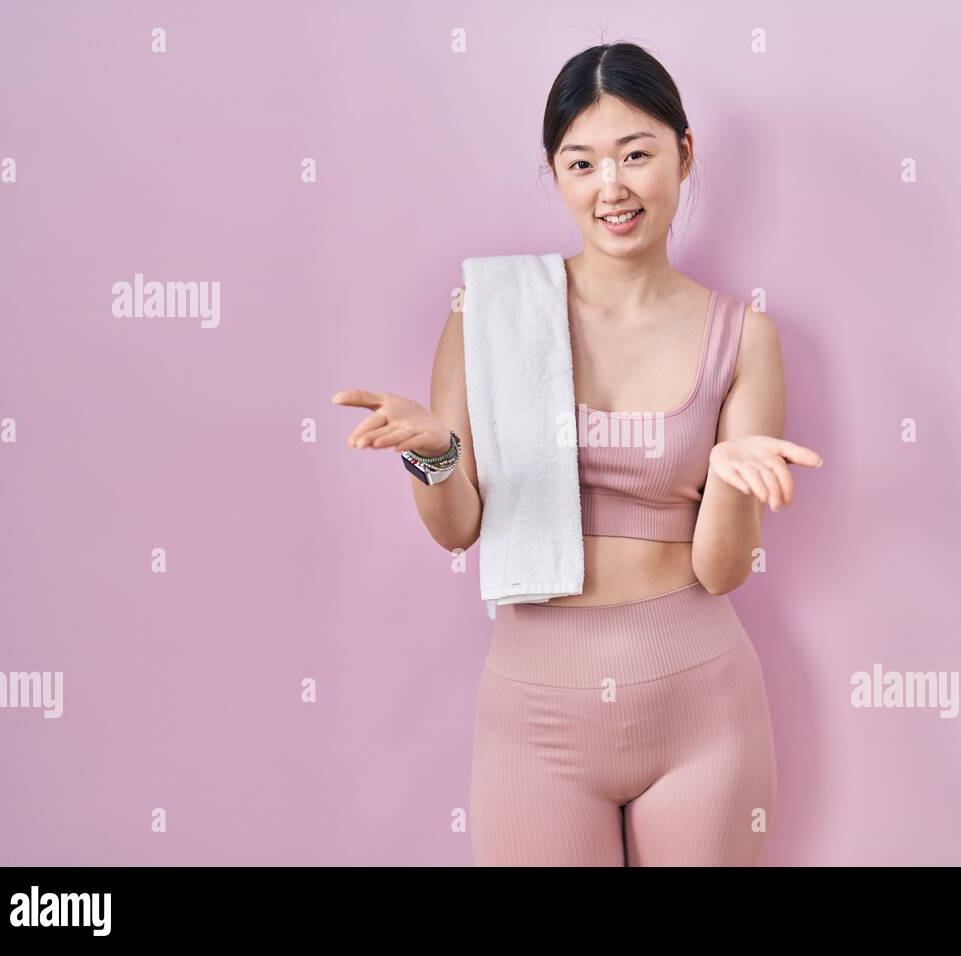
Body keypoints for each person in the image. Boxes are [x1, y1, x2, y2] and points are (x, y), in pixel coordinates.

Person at [334, 42, 821, 866]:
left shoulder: (744, 336)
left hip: (701, 707)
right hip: (537, 720)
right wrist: (434, 457)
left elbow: (722, 571)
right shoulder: (490, 314)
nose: (613, 187)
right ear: (556, 172)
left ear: (684, 153)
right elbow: (458, 532)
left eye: (637, 154)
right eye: (582, 162)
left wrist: (732, 488)